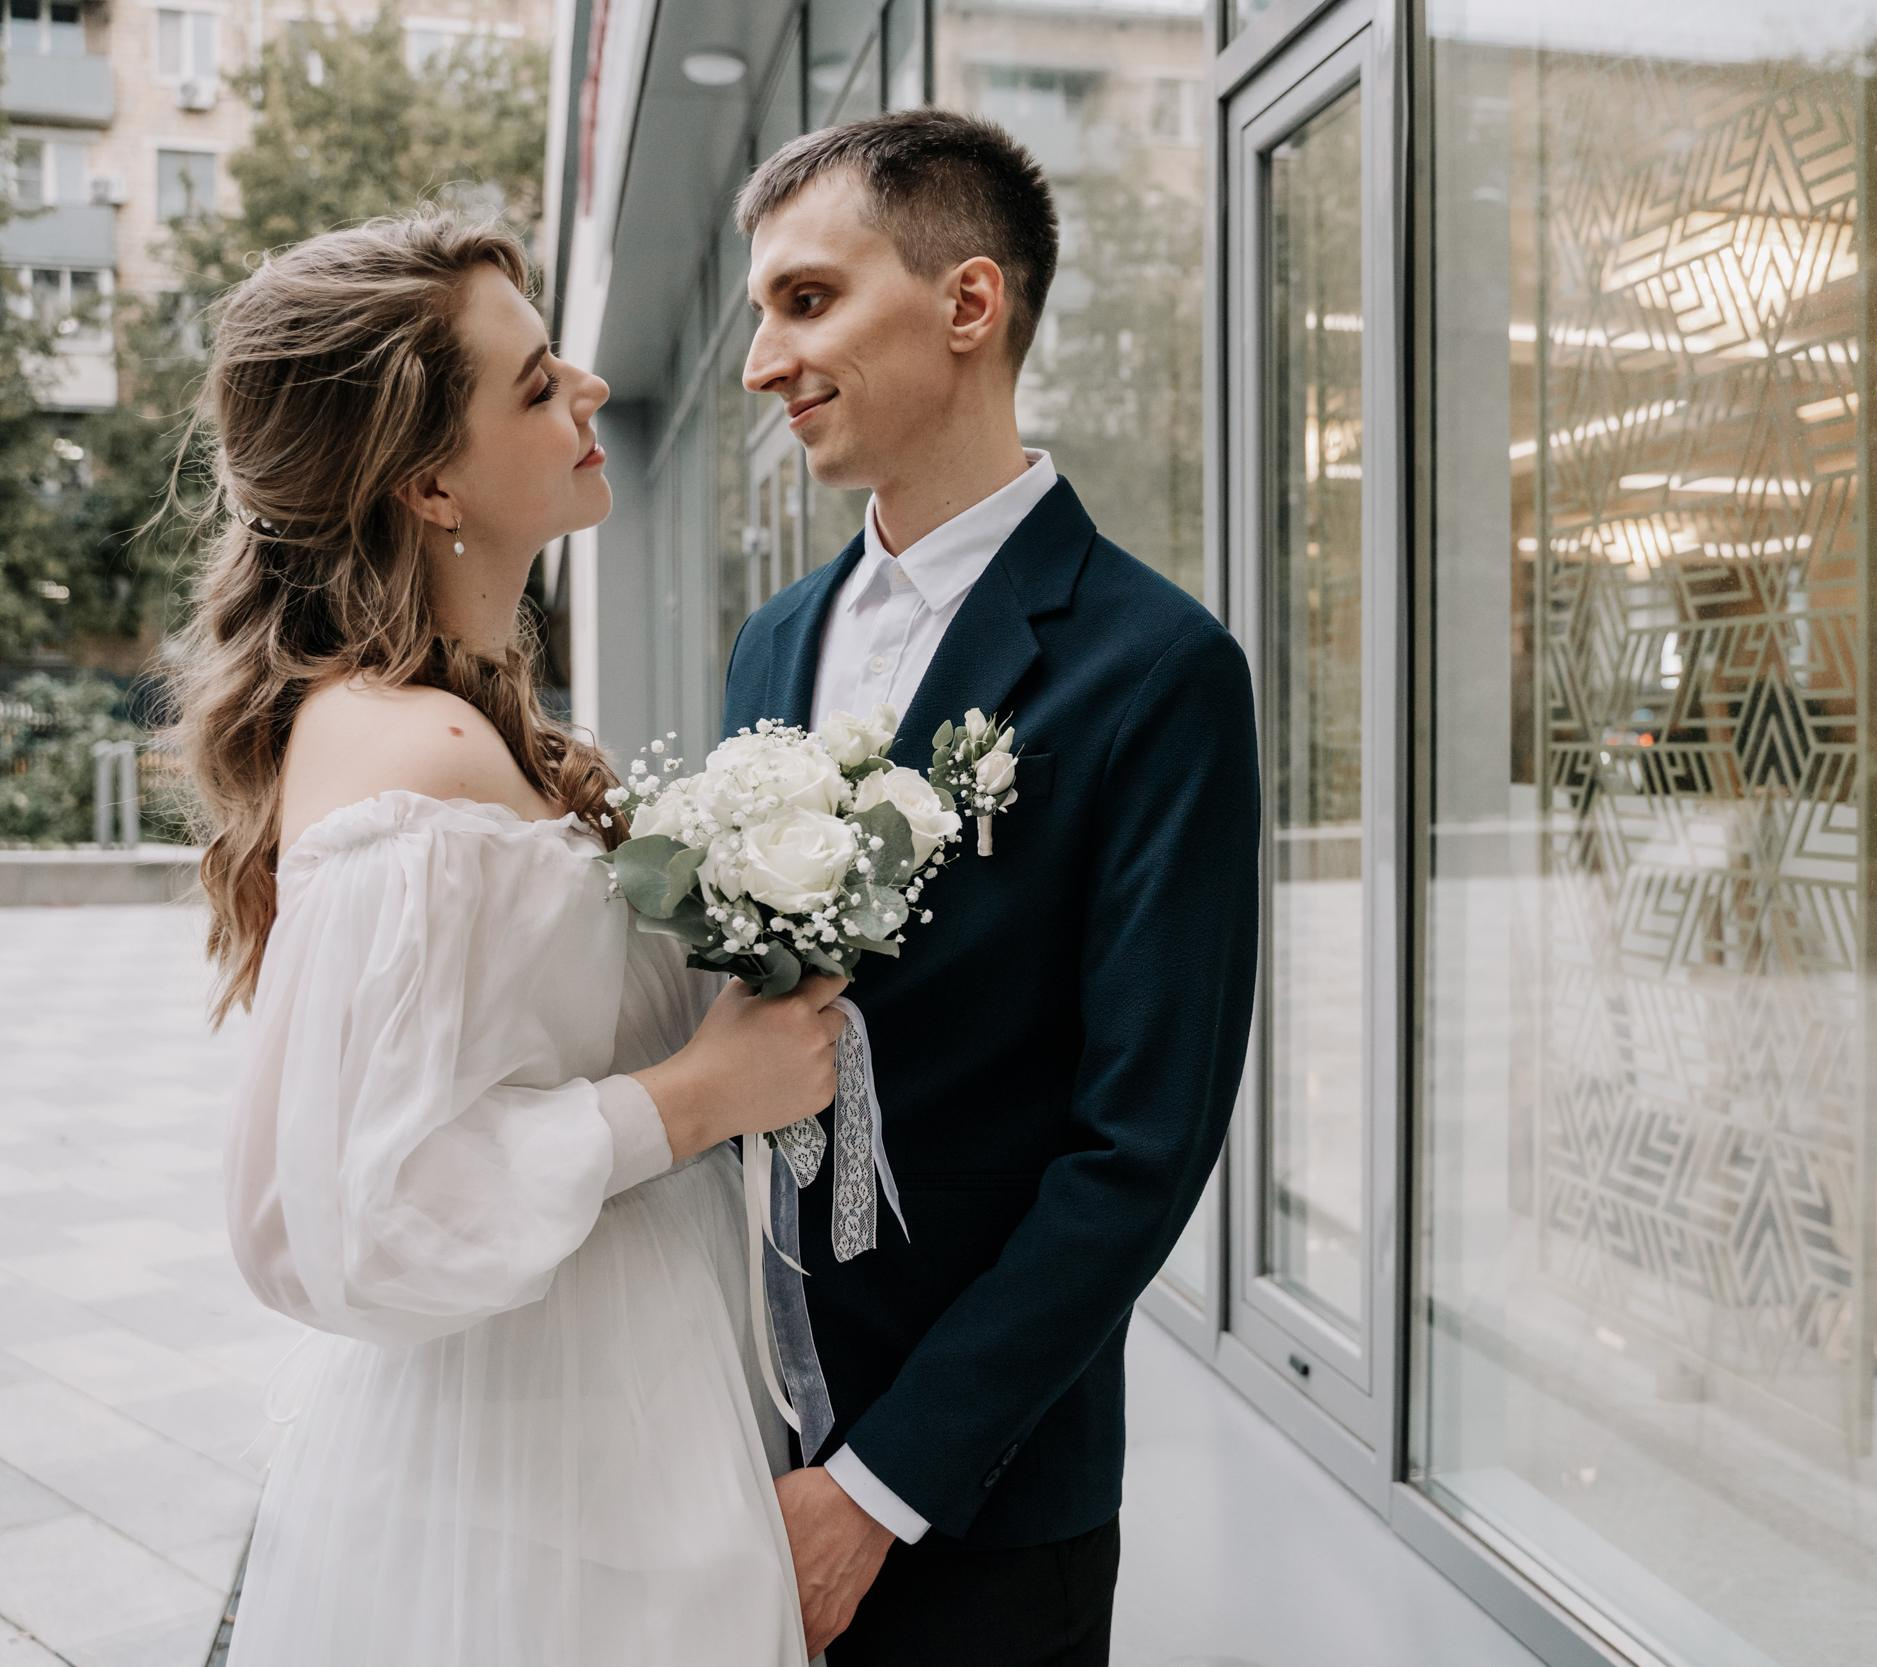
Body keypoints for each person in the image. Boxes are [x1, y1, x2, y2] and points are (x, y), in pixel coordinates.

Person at [180, 214, 833, 1665]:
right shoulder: (404, 754)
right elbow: (357, 1212)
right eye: (536, 385)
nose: (589, 390)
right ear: (427, 483)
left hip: (619, 1392)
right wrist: (700, 1097)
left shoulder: (481, 730)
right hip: (534, 1446)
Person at [725, 109, 1261, 1665]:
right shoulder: (773, 640)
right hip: (734, 1437)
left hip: (980, 1492)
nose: (761, 364)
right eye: (760, 313)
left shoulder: (1159, 668)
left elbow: (1139, 1147)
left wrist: (880, 1490)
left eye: (807, 301)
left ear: (969, 303)